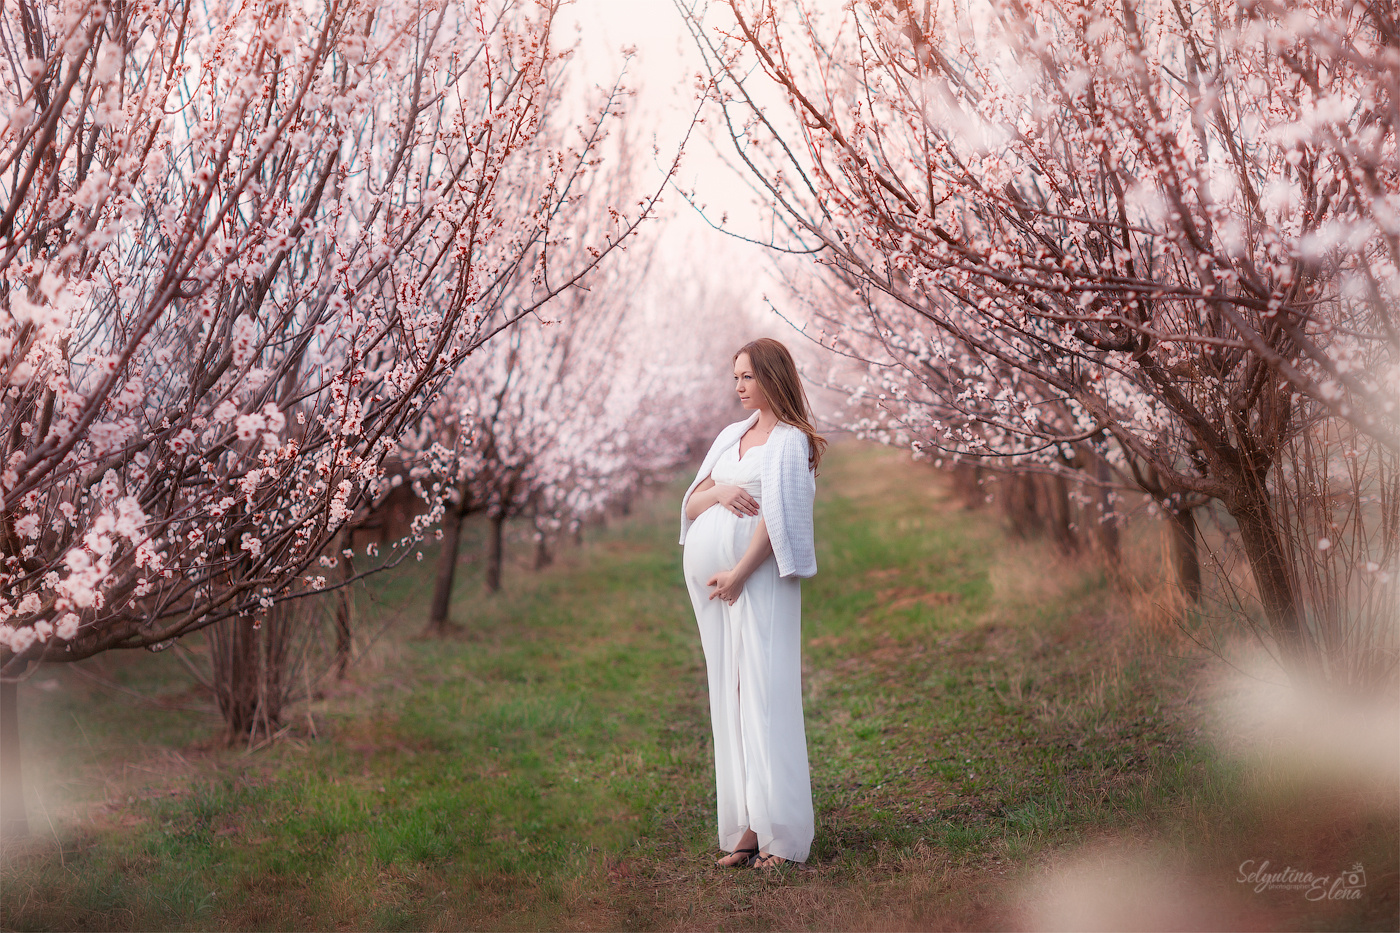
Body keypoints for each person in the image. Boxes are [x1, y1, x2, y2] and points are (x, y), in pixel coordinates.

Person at [679, 337, 826, 871]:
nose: (739, 386)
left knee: (764, 692)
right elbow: (692, 502)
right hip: (718, 590)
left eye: (747, 376)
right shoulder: (730, 436)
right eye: (735, 376)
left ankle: (780, 835)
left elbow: (779, 519)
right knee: (731, 694)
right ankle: (747, 825)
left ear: (771, 376)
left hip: (757, 581)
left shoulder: (791, 441)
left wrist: (739, 573)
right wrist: (718, 494)